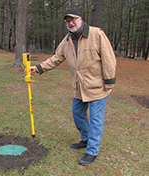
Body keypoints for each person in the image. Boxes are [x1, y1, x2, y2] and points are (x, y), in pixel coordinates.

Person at [28, 9, 116, 166]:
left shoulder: (96, 34)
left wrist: (109, 79)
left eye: (73, 19)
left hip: (97, 86)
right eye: (68, 21)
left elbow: (108, 57)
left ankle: (92, 151)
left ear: (80, 19)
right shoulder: (67, 40)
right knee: (77, 114)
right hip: (79, 87)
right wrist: (39, 67)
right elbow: (56, 58)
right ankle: (86, 138)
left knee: (96, 120)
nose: (71, 23)